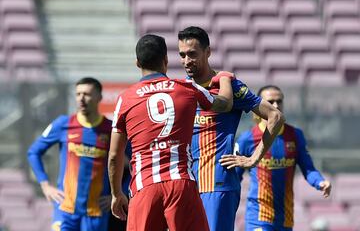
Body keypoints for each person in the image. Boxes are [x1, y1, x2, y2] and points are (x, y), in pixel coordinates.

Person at [108, 34, 234, 231]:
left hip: (144, 186)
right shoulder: (187, 88)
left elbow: (115, 156)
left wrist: (116, 194)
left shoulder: (125, 99)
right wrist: (225, 79)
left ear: (137, 62)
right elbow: (225, 104)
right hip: (181, 183)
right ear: (166, 60)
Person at [177, 26, 285, 231]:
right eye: (182, 55)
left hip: (217, 183)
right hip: (187, 183)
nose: (186, 61)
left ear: (208, 52)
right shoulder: (183, 90)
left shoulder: (228, 85)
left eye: (192, 54)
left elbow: (275, 116)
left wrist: (254, 158)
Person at [220, 85, 332, 231]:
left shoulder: (295, 135)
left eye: (279, 101)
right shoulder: (247, 139)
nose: (276, 105)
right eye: (270, 101)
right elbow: (234, 177)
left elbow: (308, 168)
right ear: (261, 106)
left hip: (285, 219)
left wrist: (320, 182)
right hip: (258, 216)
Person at [27, 77, 115, 231]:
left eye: (87, 94)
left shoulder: (111, 129)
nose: (81, 99)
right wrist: (45, 185)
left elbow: (135, 162)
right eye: (78, 94)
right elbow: (33, 152)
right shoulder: (63, 124)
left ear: (99, 97)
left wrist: (118, 194)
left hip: (96, 211)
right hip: (65, 210)